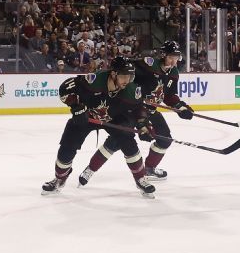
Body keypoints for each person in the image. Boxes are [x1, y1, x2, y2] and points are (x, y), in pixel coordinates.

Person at [78, 41, 194, 186]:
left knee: (165, 140)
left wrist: (180, 107)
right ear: (163, 55)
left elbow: (169, 96)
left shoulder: (174, 73)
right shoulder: (149, 64)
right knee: (115, 142)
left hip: (151, 111)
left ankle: (149, 169)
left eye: (176, 57)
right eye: (171, 57)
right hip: (134, 109)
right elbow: (126, 72)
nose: (174, 61)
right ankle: (90, 169)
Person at [42, 56, 155, 198]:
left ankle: (140, 178)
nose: (128, 81)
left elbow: (139, 108)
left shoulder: (131, 89)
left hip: (114, 118)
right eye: (124, 76)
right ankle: (59, 178)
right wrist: (76, 107)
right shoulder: (94, 80)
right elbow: (65, 89)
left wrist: (143, 124)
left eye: (130, 76)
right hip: (87, 117)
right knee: (67, 146)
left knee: (128, 141)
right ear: (113, 74)